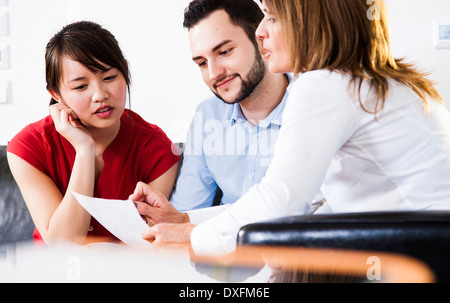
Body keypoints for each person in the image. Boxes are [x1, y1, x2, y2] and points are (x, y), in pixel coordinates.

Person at [134, 0, 450, 255]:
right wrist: (188, 221)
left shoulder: (324, 84)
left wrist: (189, 235)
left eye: (271, 16)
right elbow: (295, 204)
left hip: (423, 254)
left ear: (309, 21)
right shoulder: (372, 79)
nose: (261, 32)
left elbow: (281, 201)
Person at [133, 0, 327, 227]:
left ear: (262, 40)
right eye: (202, 63)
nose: (214, 73)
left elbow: (308, 215)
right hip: (222, 256)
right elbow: (185, 213)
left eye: (224, 52)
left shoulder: (314, 104)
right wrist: (166, 218)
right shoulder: (208, 116)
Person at [6, 21, 180, 246]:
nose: (100, 95)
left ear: (125, 71)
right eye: (80, 87)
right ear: (56, 94)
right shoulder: (28, 148)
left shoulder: (158, 149)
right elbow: (63, 245)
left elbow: (145, 243)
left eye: (109, 78)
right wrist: (84, 150)